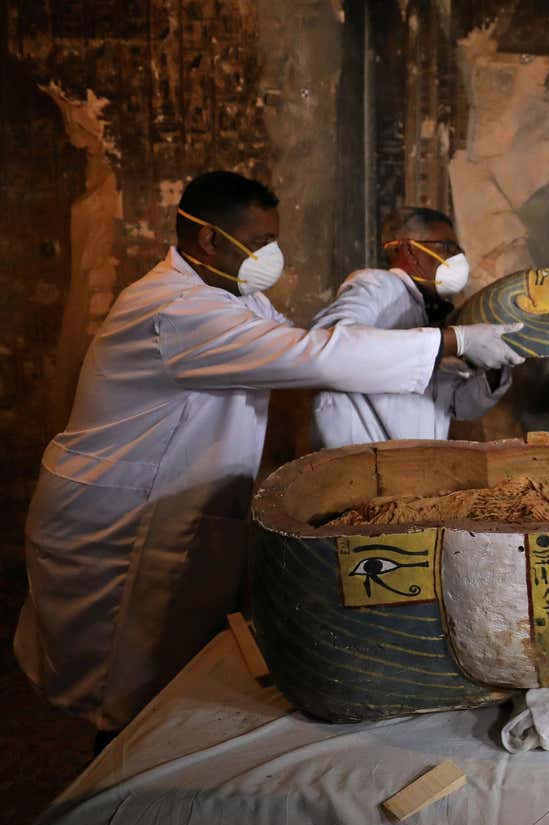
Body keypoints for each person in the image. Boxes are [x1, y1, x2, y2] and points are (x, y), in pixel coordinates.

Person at [13, 172, 523, 742]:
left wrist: (462, 353)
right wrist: (454, 341)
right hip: (120, 515)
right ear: (207, 240)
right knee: (113, 681)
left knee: (162, 674)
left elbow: (310, 348)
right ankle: (109, 794)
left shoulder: (240, 298)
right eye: (258, 242)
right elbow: (314, 354)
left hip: (171, 504)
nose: (270, 255)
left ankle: (144, 758)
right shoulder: (173, 309)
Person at [310, 207, 512, 448]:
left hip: (413, 468)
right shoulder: (378, 286)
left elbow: (458, 405)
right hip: (361, 464)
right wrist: (451, 341)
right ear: (410, 250)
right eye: (447, 247)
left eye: (459, 250)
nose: (457, 258)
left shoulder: (428, 313)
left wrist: (495, 365)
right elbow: (328, 346)